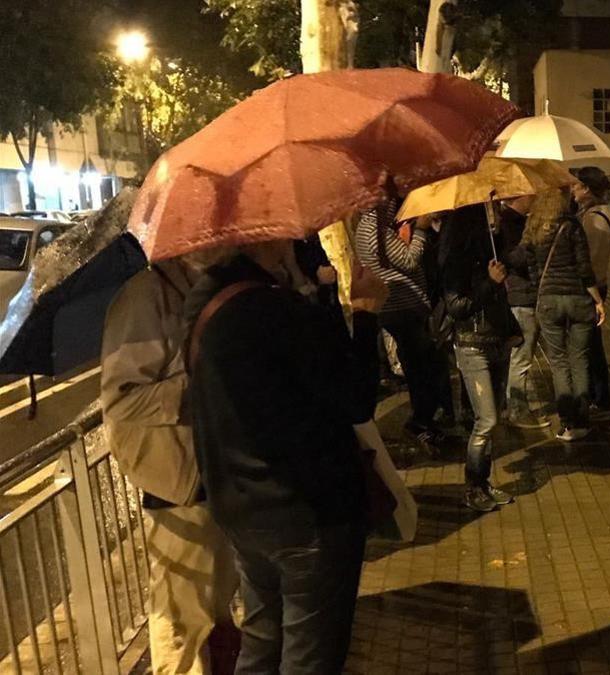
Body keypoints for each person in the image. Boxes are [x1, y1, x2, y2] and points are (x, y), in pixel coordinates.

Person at [185, 240, 387, 673]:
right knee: (309, 654)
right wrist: (367, 312)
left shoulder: (206, 301)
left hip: (241, 506)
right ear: (264, 235)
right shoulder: (272, 310)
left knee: (261, 644)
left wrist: (324, 298)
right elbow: (354, 397)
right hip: (304, 510)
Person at [100, 258, 239, 675]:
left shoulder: (210, 284)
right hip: (177, 479)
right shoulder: (145, 295)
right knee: (182, 620)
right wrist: (202, 384)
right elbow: (121, 399)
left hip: (215, 472)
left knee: (214, 608)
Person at [441, 205, 523, 512]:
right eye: (488, 210)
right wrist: (489, 283)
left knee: (493, 420)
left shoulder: (491, 248)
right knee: (485, 419)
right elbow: (457, 306)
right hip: (472, 343)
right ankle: (472, 485)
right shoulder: (454, 258)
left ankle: (485, 483)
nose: (495, 213)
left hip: (497, 342)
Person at [355, 197, 452, 444]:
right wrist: (420, 229)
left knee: (420, 365)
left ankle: (424, 420)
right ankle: (420, 422)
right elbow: (409, 260)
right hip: (400, 309)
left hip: (404, 307)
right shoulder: (374, 228)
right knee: (421, 367)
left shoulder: (378, 228)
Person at [526, 189, 607, 441]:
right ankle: (583, 420)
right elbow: (584, 267)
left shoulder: (533, 227)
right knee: (580, 360)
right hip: (577, 299)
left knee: (559, 363)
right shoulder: (572, 226)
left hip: (548, 300)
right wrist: (598, 300)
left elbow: (530, 266)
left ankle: (567, 423)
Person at [497, 195, 550, 429]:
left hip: (524, 295)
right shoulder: (510, 223)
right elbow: (515, 258)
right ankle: (518, 410)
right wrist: (531, 239)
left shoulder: (514, 221)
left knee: (519, 357)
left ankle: (511, 406)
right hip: (521, 296)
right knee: (522, 358)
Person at [571, 167, 610, 412]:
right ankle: (599, 395)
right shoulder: (602, 214)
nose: (573, 190)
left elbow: (585, 258)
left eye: (576, 186)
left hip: (592, 287)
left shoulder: (592, 219)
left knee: (589, 346)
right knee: (592, 343)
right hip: (600, 283)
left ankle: (599, 396)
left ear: (587, 189)